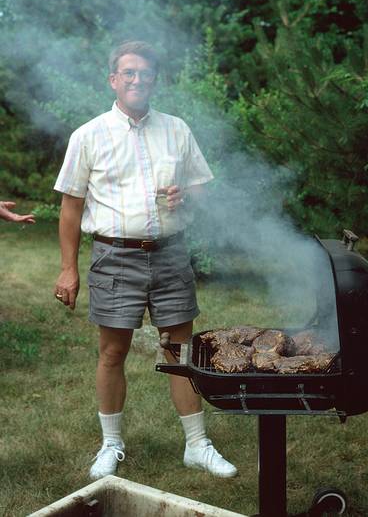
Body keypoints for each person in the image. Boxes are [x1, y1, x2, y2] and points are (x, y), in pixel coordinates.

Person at [53, 40, 237, 481]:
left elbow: (199, 192)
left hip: (170, 254)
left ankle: (197, 445)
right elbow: (71, 208)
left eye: (146, 73)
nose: (138, 80)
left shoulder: (176, 129)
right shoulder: (89, 135)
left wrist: (185, 196)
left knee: (179, 349)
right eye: (129, 73)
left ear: (156, 79)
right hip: (115, 256)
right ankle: (111, 444)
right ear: (113, 79)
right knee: (113, 351)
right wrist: (68, 267)